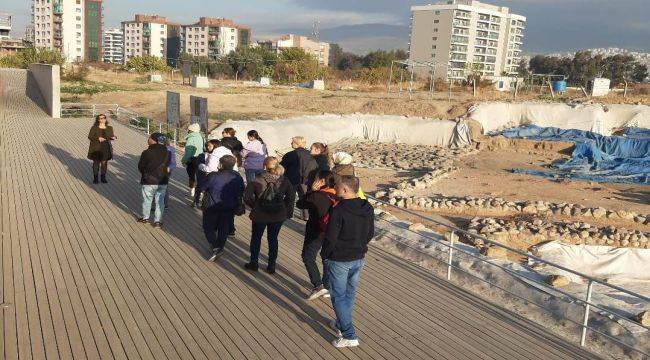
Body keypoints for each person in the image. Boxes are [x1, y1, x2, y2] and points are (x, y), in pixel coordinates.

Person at [322, 175, 374, 348]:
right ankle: (340, 323)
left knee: (338, 297)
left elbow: (331, 237)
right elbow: (370, 233)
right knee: (349, 293)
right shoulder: (367, 207)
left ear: (345, 190)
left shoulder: (338, 210)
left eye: (336, 186)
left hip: (339, 259)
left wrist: (326, 255)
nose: (334, 189)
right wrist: (359, 246)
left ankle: (349, 335)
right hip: (358, 257)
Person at [243, 157, 295, 274]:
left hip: (260, 214)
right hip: (277, 215)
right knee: (273, 239)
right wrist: (284, 209)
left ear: (264, 166)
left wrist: (254, 206)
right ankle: (271, 266)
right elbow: (291, 198)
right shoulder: (284, 180)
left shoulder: (258, 179)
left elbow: (246, 197)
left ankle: (254, 263)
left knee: (256, 238)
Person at [296, 170, 338, 300]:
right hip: (332, 231)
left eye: (315, 179)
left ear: (322, 181)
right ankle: (328, 285)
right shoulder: (336, 194)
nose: (313, 181)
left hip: (316, 231)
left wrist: (311, 191)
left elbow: (300, 204)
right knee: (326, 257)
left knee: (308, 256)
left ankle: (318, 285)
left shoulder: (316, 196)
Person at [197, 155, 245, 261]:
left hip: (211, 206)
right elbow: (241, 191)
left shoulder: (213, 176)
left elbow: (202, 187)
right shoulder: (238, 177)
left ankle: (215, 247)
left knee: (208, 227)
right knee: (223, 228)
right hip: (229, 207)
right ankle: (220, 247)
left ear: (221, 164)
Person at [137, 133, 171, 228]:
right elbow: (167, 166)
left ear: (154, 140)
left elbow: (141, 166)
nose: (148, 139)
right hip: (162, 180)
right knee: (160, 201)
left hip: (149, 180)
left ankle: (145, 218)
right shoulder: (168, 152)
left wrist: (145, 173)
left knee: (147, 200)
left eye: (150, 138)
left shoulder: (147, 152)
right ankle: (157, 222)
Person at [280, 136, 318, 220]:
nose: (291, 144)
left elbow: (281, 167)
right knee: (304, 197)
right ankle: (306, 216)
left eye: (292, 142)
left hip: (291, 179)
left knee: (290, 197)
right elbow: (313, 167)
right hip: (305, 180)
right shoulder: (310, 154)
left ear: (296, 143)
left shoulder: (289, 154)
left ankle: (288, 214)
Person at [87, 114, 117, 184]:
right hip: (96, 147)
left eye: (104, 118)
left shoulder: (110, 128)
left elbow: (111, 136)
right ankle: (95, 178)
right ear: (98, 120)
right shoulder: (94, 128)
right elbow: (90, 137)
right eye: (101, 118)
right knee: (96, 163)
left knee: (104, 163)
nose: (103, 119)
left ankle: (103, 177)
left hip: (106, 147)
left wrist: (114, 137)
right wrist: (98, 138)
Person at [181, 123, 204, 198]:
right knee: (198, 175)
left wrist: (184, 161)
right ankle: (199, 192)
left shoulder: (191, 138)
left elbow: (188, 151)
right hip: (200, 158)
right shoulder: (201, 137)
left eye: (189, 130)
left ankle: (192, 192)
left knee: (191, 176)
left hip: (192, 159)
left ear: (191, 130)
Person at [164, 138, 176, 209]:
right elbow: (173, 162)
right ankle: (165, 204)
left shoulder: (166, 150)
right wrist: (170, 167)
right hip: (168, 170)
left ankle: (163, 203)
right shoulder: (172, 150)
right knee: (165, 186)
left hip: (163, 170)